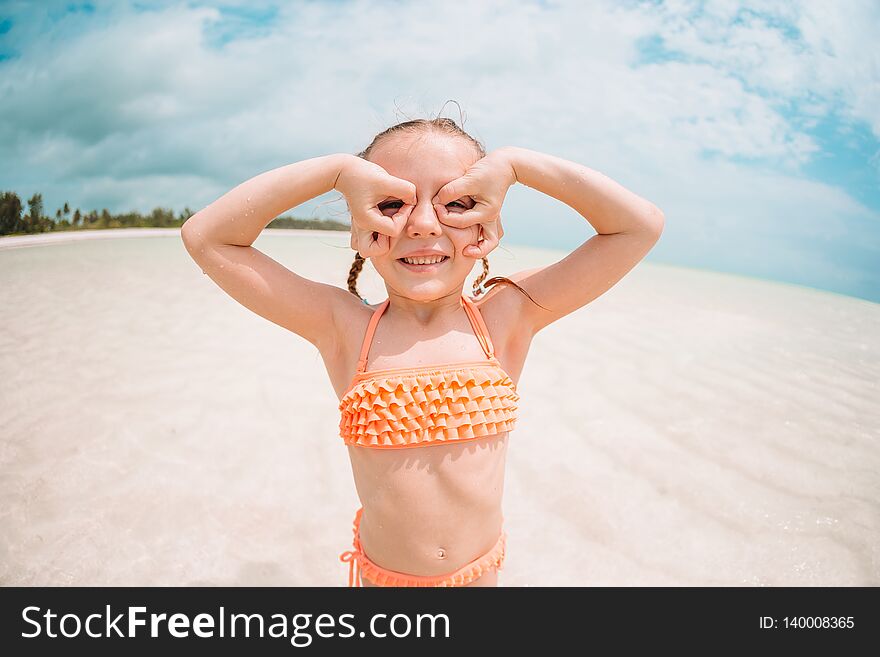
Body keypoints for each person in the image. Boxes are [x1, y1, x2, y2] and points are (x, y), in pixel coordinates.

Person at [181, 113, 664, 587]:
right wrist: (335, 171)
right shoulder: (342, 327)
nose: (424, 223)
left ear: (487, 222)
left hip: (480, 577)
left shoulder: (507, 316)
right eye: (392, 203)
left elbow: (638, 226)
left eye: (457, 202)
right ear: (359, 220)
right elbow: (207, 236)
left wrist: (516, 166)